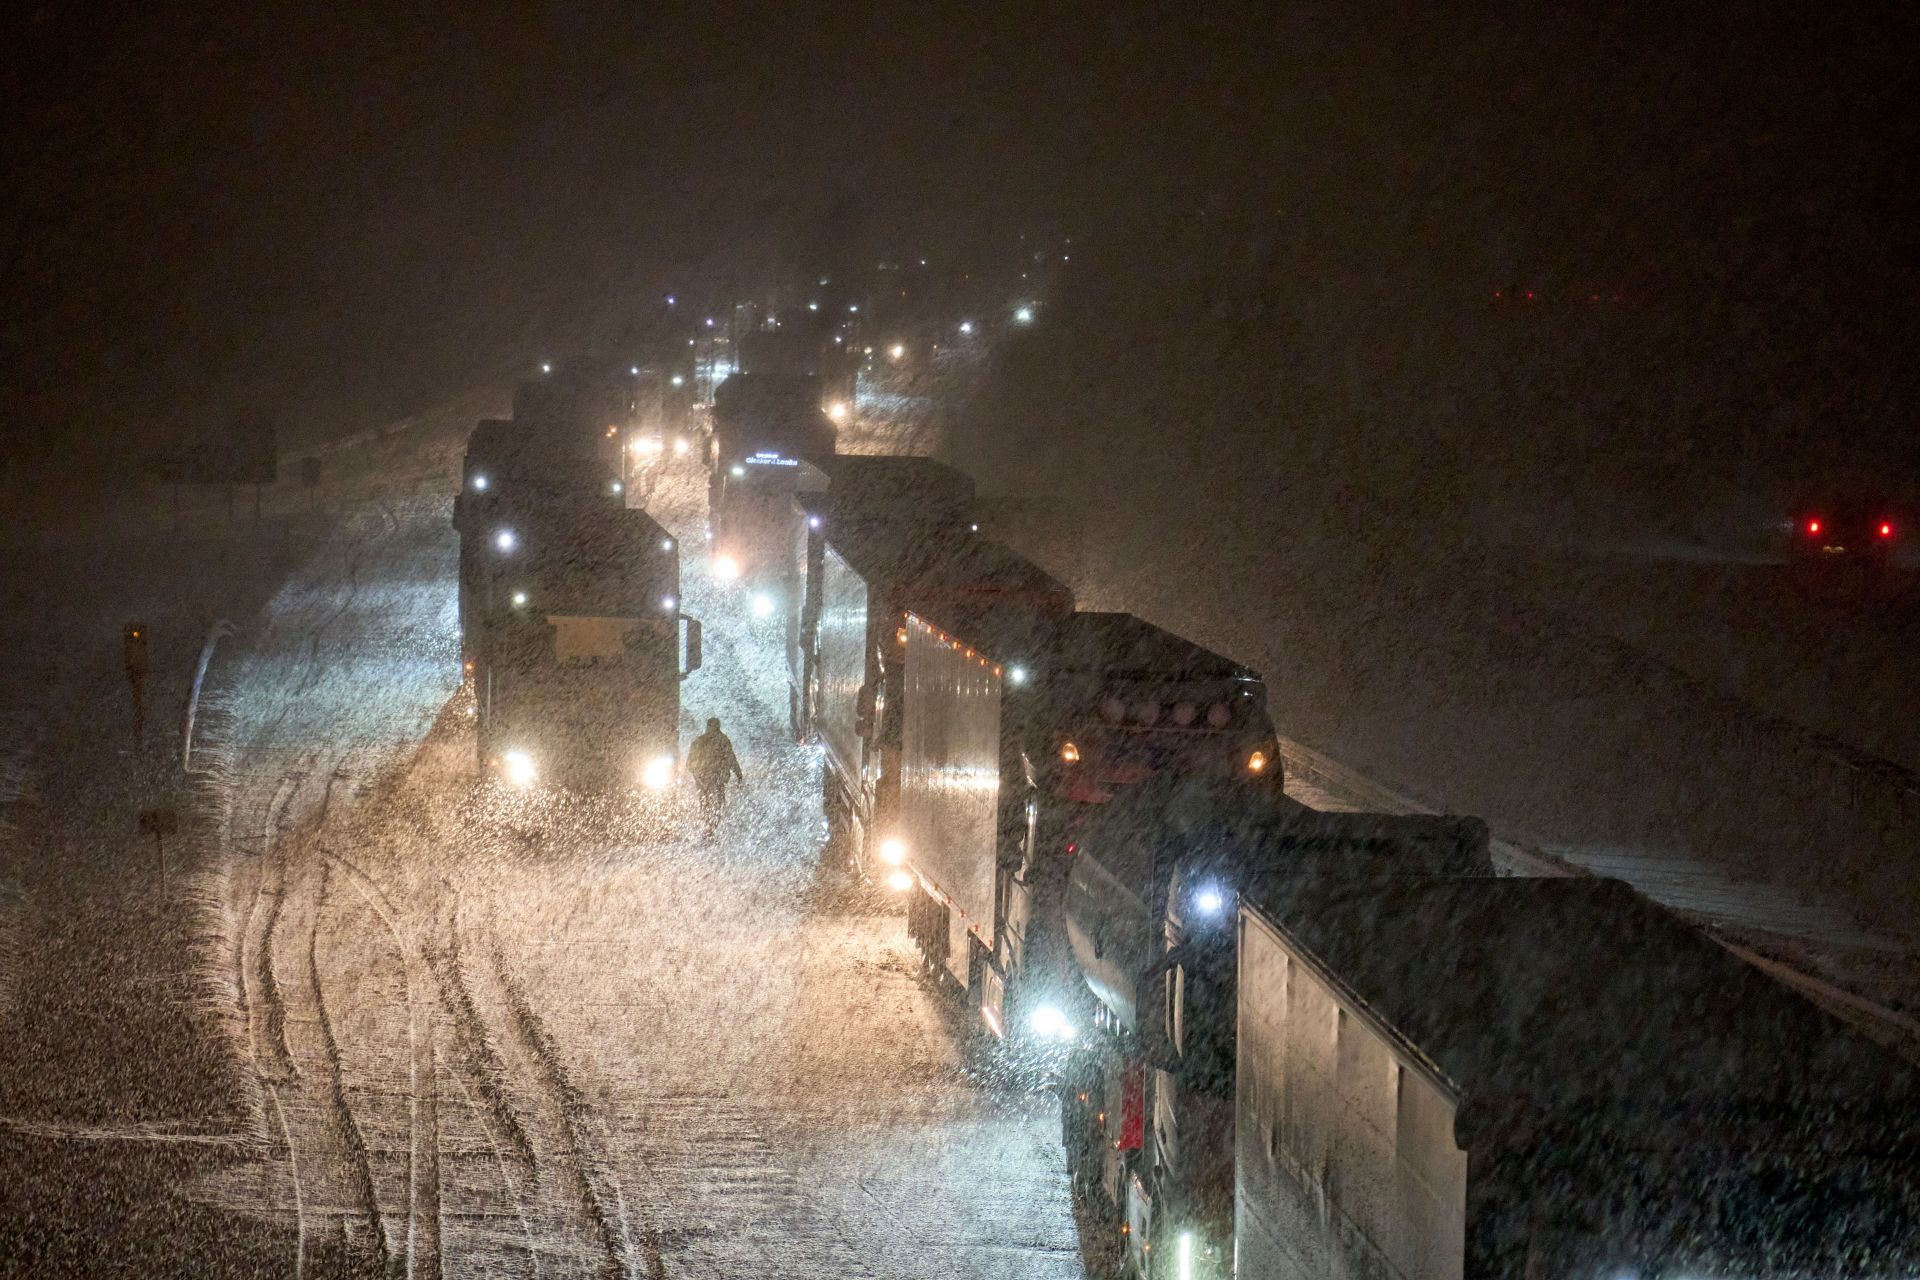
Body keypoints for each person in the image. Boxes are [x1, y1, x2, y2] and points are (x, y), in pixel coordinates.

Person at [686, 716, 744, 829]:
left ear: (707, 726)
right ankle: (713, 826)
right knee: (718, 803)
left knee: (705, 802)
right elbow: (731, 758)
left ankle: (708, 827)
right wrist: (738, 774)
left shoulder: (699, 741)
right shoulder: (723, 740)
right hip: (718, 778)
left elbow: (689, 763)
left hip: (703, 779)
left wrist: (697, 775)